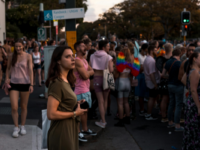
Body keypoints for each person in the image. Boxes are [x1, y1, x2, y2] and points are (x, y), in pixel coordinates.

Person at [46, 46, 87, 150]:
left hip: (69, 130)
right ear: (59, 61)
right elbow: (51, 114)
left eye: (72, 56)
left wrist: (76, 103)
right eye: (68, 57)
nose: (73, 59)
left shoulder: (66, 80)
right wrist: (75, 113)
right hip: (62, 133)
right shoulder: (57, 83)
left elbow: (62, 104)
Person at [5, 39, 34, 138]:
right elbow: (8, 68)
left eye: (19, 46)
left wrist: (31, 84)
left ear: (23, 46)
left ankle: (22, 126)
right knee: (14, 107)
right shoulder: (11, 56)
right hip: (14, 84)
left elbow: (30, 70)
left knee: (24, 106)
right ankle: (16, 127)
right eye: (16, 46)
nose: (18, 48)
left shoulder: (28, 56)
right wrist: (7, 78)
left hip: (25, 84)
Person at [74, 41, 97, 142]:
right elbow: (86, 75)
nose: (85, 47)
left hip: (86, 90)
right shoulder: (77, 61)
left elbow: (92, 71)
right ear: (77, 49)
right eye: (83, 46)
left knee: (85, 112)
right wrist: (89, 72)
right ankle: (78, 133)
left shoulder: (84, 60)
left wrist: (89, 72)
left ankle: (85, 130)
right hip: (80, 91)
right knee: (79, 113)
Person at [90, 40, 113, 128]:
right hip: (106, 79)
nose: (109, 47)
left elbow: (90, 67)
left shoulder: (92, 56)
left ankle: (102, 120)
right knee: (105, 99)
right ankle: (103, 120)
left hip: (96, 78)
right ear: (103, 47)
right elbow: (111, 70)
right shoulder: (108, 57)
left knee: (100, 101)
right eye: (108, 46)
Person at [162, 48, 184, 131]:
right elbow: (182, 75)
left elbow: (163, 74)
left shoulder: (168, 62)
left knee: (171, 103)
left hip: (170, 84)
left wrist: (170, 77)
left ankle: (170, 122)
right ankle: (177, 125)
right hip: (178, 85)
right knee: (178, 105)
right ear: (180, 54)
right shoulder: (179, 63)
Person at [181, 51, 200, 150]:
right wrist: (199, 107)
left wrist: (191, 87)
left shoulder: (192, 70)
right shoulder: (195, 72)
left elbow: (183, 80)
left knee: (192, 129)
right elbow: (193, 90)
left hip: (192, 102)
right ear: (195, 59)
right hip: (195, 104)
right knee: (195, 130)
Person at [114, 48, 132, 127]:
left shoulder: (120, 62)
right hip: (127, 81)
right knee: (126, 102)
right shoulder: (130, 62)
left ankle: (121, 120)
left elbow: (116, 74)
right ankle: (128, 118)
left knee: (120, 103)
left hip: (121, 81)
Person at [143, 45, 160, 120]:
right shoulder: (151, 60)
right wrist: (155, 83)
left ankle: (149, 113)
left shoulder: (148, 59)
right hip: (152, 82)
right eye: (155, 50)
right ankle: (149, 114)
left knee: (152, 98)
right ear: (151, 51)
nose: (157, 51)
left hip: (149, 81)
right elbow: (151, 73)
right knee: (152, 98)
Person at [157, 43, 173, 123]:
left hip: (163, 81)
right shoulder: (173, 59)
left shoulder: (161, 59)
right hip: (169, 81)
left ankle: (163, 115)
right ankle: (166, 116)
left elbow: (160, 71)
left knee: (164, 99)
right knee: (168, 99)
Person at [135, 43, 148, 116]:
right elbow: (139, 69)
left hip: (144, 75)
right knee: (141, 94)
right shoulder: (139, 57)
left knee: (143, 94)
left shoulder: (145, 56)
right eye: (146, 50)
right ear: (142, 50)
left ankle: (142, 108)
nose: (146, 52)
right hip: (140, 76)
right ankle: (141, 109)